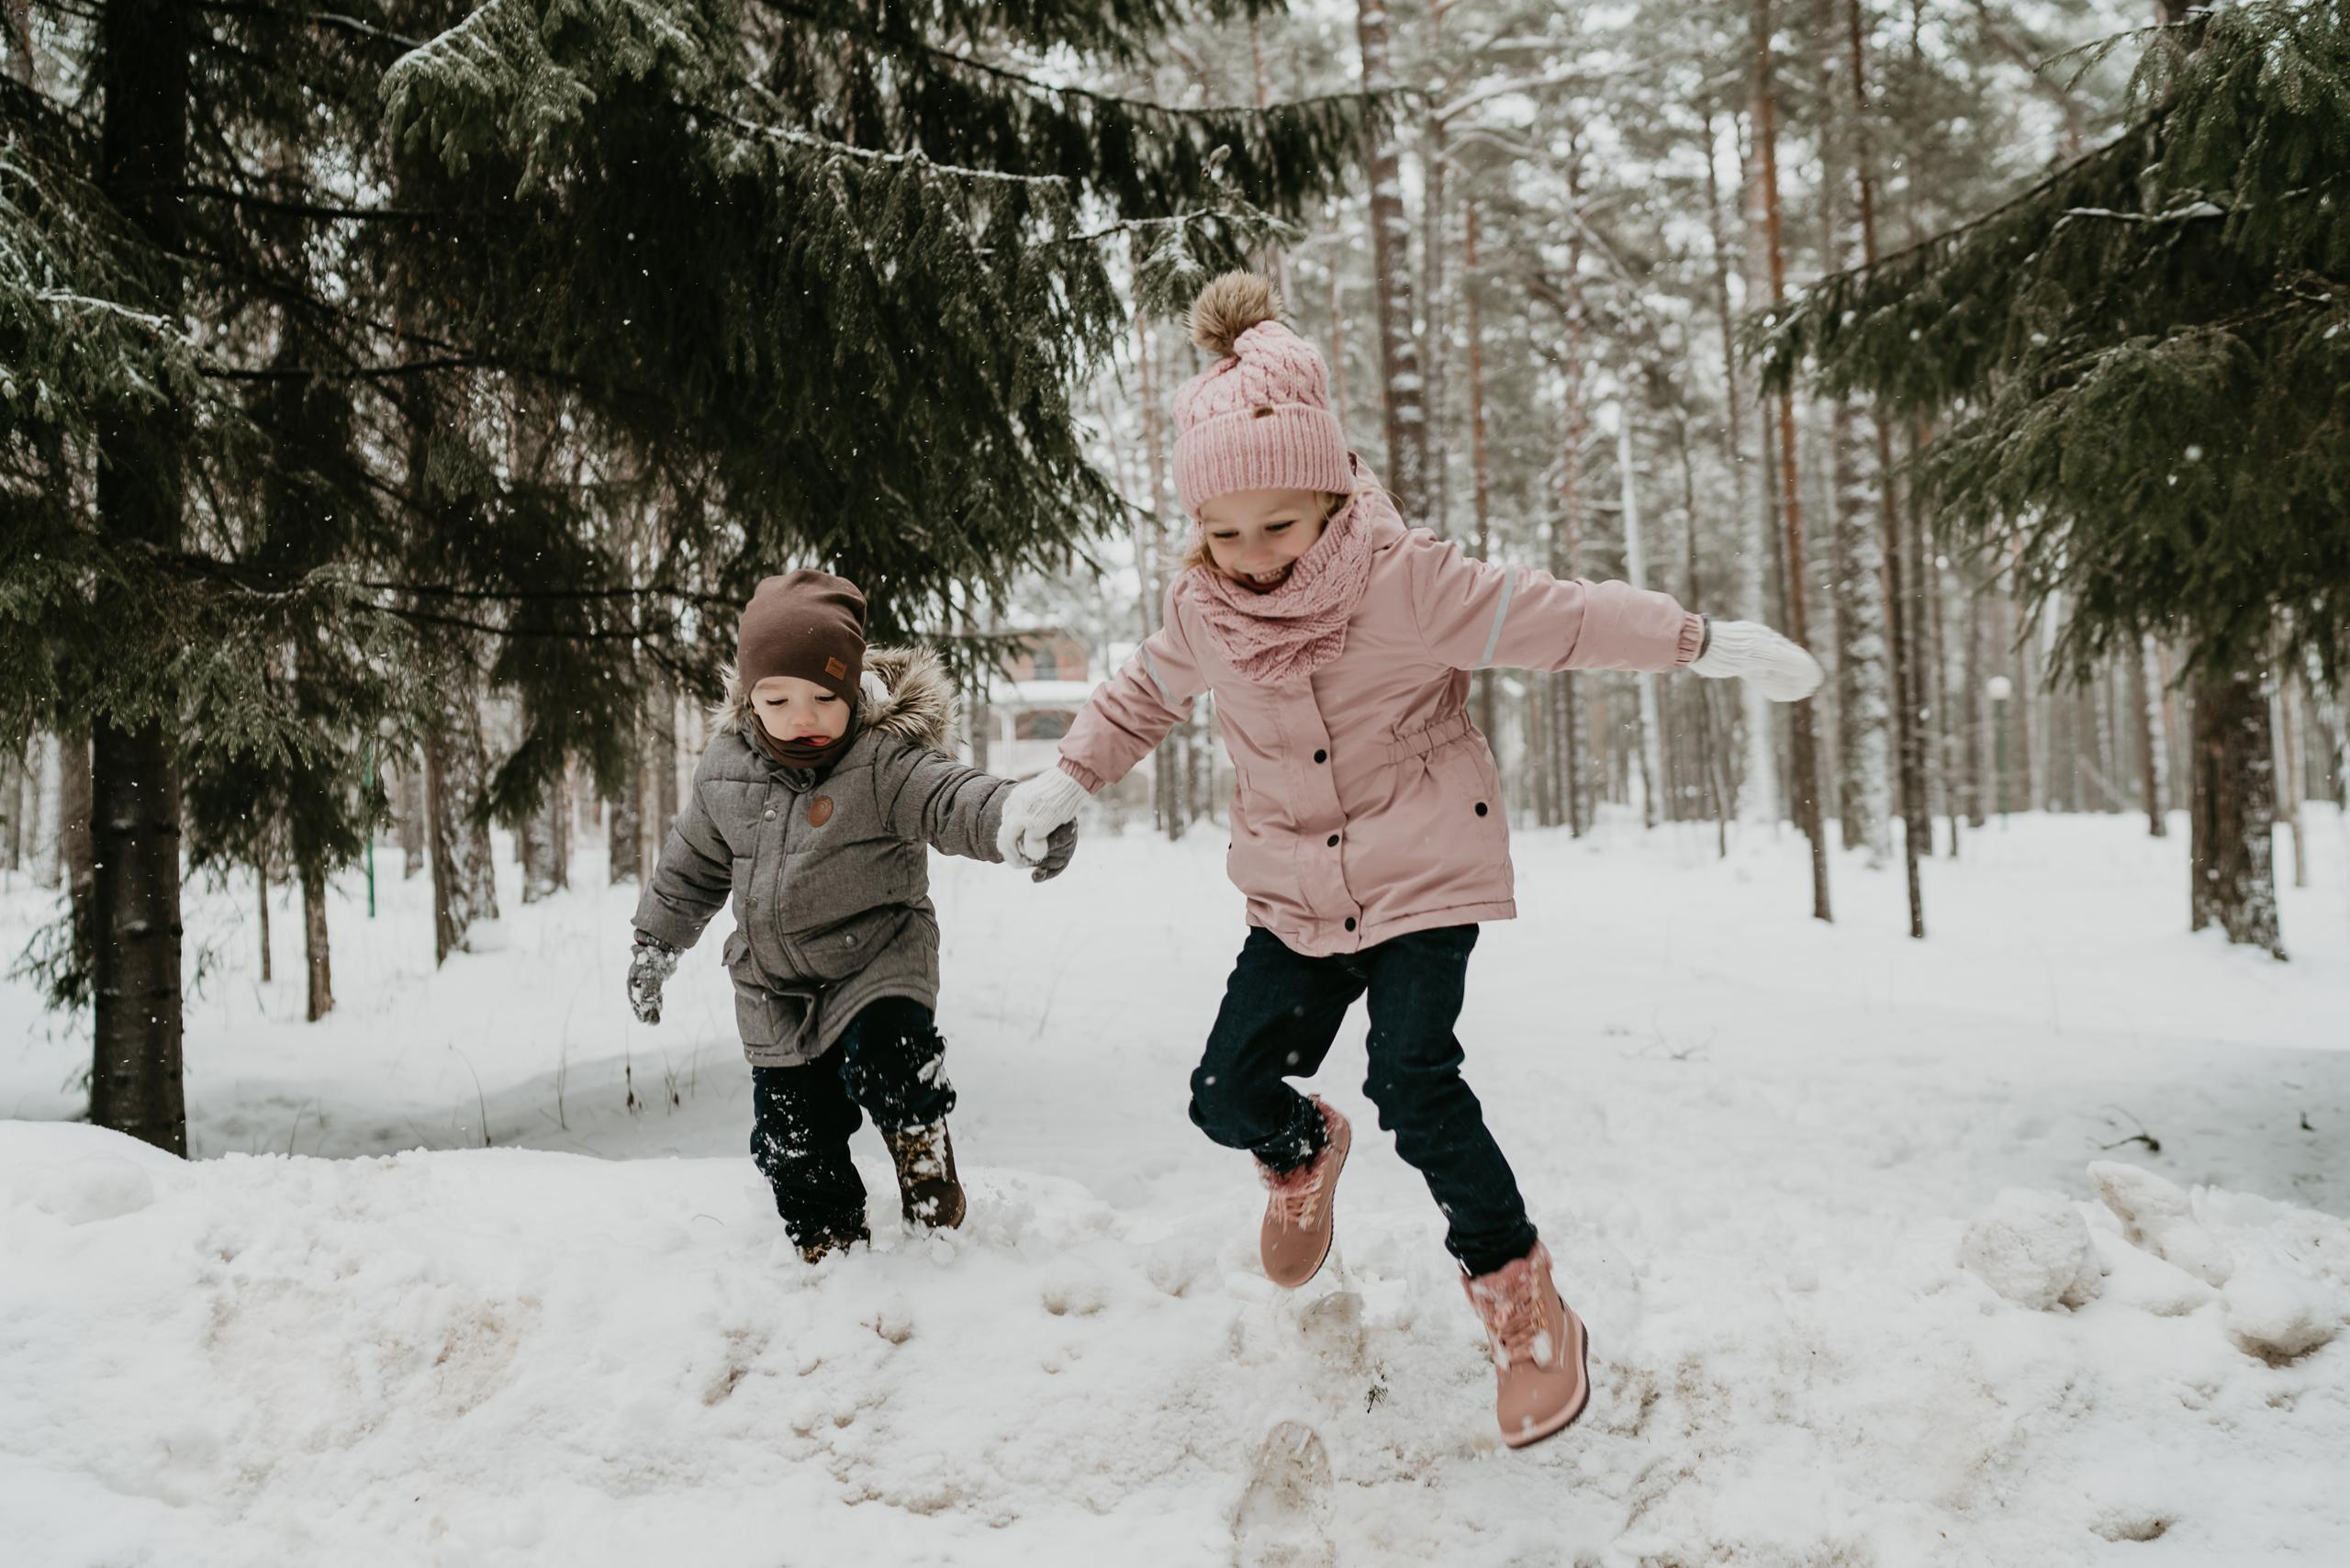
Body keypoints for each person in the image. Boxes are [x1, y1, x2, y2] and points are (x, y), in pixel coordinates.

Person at [994, 274, 1820, 1447]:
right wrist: (1068, 774)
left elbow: (1564, 617)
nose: (1252, 556)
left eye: (1277, 527)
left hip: (1422, 878)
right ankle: (1302, 1151)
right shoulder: (1204, 612)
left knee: (1414, 1083)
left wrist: (1697, 641)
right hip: (1293, 897)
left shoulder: (1405, 583)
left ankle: (1520, 1298)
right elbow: (1139, 697)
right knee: (1223, 1095)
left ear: (1330, 497)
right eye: (1224, 533)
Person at [627, 569, 1075, 1262]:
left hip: (877, 960)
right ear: (749, 696)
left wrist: (1017, 818)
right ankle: (828, 1246)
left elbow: (952, 798)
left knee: (889, 1060)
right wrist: (656, 943)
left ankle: (924, 1159)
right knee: (791, 1135)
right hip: (775, 990)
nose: (800, 717)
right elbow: (691, 866)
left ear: (853, 690)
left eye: (822, 697)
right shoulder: (725, 770)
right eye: (777, 699)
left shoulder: (882, 762)